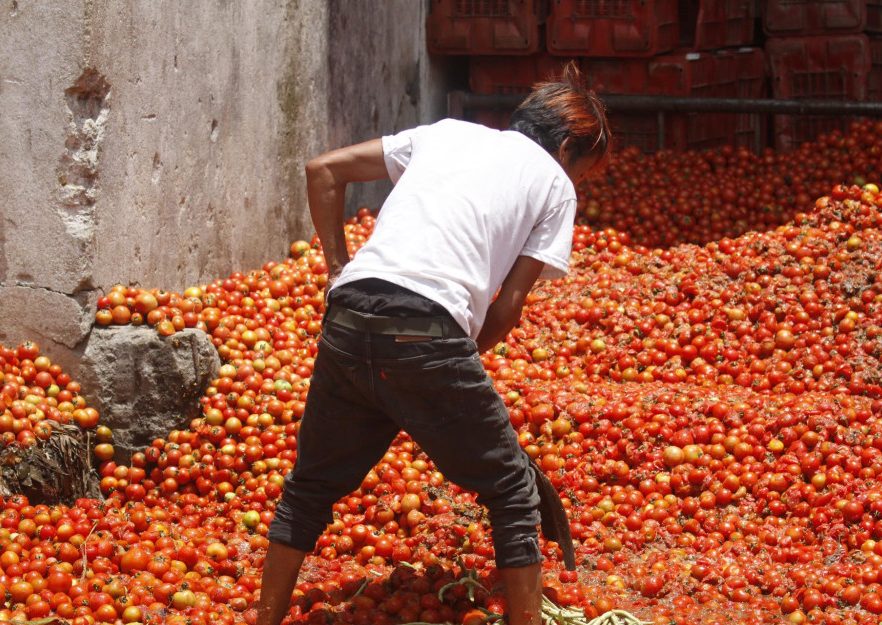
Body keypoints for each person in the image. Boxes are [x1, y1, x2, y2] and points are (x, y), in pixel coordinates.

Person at [256, 62, 610, 625]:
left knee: (309, 489)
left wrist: (335, 269)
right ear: (566, 147)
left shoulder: (445, 133)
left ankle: (265, 620)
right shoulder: (554, 186)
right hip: (428, 328)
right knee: (513, 492)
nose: (577, 181)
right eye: (583, 170)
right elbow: (508, 306)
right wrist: (449, 364)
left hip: (347, 319)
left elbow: (322, 170)